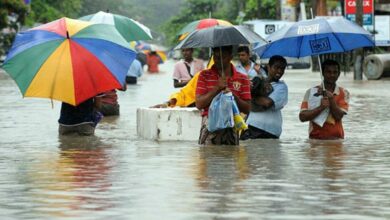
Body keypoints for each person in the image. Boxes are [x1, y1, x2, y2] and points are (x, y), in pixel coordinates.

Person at [196, 45, 251, 145]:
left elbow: (247, 108)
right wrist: (217, 88)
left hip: (232, 125)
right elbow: (199, 104)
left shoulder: (242, 78)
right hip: (210, 123)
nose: (218, 60)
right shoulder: (204, 75)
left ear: (230, 56)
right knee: (208, 156)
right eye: (216, 57)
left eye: (222, 57)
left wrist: (232, 96)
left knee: (231, 157)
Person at [299, 59, 349, 140]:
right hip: (315, 139)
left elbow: (339, 116)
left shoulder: (344, 93)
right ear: (323, 73)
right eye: (328, 72)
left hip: (337, 140)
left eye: (335, 72)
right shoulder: (311, 92)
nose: (332, 75)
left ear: (339, 74)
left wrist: (331, 99)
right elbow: (302, 117)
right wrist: (321, 107)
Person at [241, 55, 288, 140]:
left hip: (270, 132)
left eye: (282, 69)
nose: (280, 71)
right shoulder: (257, 81)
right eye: (276, 67)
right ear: (268, 67)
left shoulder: (281, 87)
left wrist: (251, 96)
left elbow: (267, 103)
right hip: (252, 127)